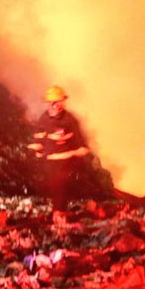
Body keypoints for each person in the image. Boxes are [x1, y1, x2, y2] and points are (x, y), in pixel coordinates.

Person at [27, 85, 89, 225]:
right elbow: (39, 137)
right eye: (52, 102)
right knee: (54, 186)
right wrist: (36, 147)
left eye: (58, 102)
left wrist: (81, 150)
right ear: (48, 103)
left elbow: (79, 140)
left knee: (61, 183)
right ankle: (57, 213)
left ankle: (59, 214)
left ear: (62, 103)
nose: (55, 105)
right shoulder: (44, 118)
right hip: (49, 160)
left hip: (65, 160)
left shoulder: (69, 120)